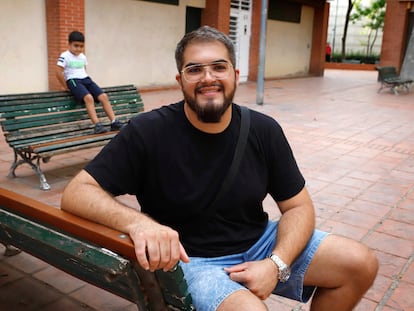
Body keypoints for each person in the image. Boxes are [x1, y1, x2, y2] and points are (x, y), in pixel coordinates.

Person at [61, 26, 378, 311]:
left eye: (218, 67)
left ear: (235, 75)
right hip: (190, 260)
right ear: (180, 79)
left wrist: (276, 263)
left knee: (359, 263)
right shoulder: (148, 131)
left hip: (260, 243)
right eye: (194, 69)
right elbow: (77, 192)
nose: (208, 77)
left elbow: (298, 206)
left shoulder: (263, 130)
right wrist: (138, 224)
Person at [56, 31, 124, 134]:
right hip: (73, 80)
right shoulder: (65, 56)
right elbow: (58, 72)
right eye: (76, 46)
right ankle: (97, 125)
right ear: (69, 44)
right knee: (89, 98)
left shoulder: (82, 56)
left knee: (103, 96)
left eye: (81, 46)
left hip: (86, 79)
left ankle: (114, 122)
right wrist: (66, 86)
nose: (78, 49)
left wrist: (88, 84)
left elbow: (84, 69)